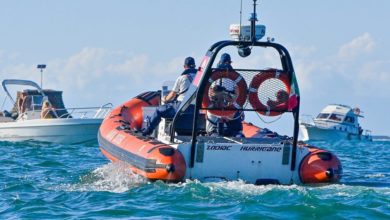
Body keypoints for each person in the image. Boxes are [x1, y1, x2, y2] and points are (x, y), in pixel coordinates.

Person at [142, 57, 197, 136]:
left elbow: (172, 95)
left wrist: (165, 98)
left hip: (181, 106)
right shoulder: (199, 79)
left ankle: (148, 131)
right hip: (194, 108)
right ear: (194, 66)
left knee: (159, 110)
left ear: (184, 66)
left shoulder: (182, 78)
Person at [206, 53, 244, 137]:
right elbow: (238, 93)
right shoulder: (234, 76)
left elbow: (209, 91)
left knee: (212, 125)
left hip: (218, 104)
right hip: (227, 104)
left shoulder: (213, 75)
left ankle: (214, 132)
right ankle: (235, 133)